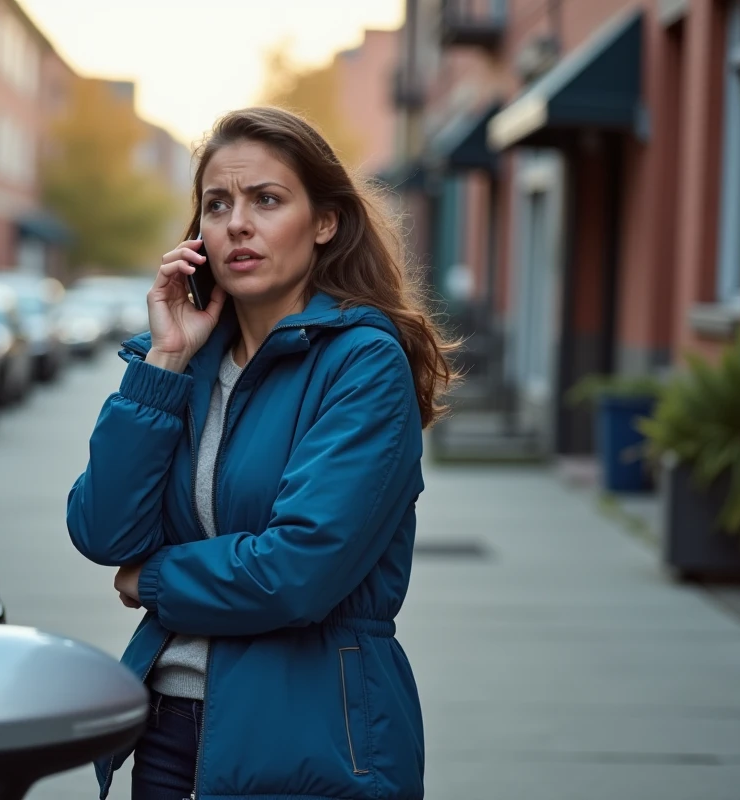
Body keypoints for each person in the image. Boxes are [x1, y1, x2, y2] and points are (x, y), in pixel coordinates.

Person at [66, 107, 455, 800]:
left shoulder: (362, 365)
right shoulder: (182, 367)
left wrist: (150, 581)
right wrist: (162, 362)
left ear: (325, 222)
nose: (237, 223)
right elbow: (103, 532)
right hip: (167, 735)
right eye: (218, 205)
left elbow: (298, 570)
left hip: (311, 746)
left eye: (266, 200)